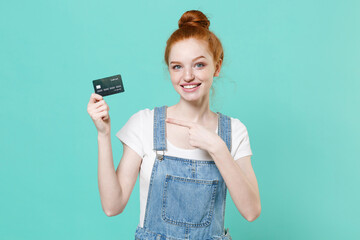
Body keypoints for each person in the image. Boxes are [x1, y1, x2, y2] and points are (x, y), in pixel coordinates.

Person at [87, 9, 261, 240]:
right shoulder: (144, 124)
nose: (187, 76)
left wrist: (218, 148)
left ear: (216, 67)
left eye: (199, 65)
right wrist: (103, 134)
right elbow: (113, 206)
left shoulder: (234, 132)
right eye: (177, 66)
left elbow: (251, 212)